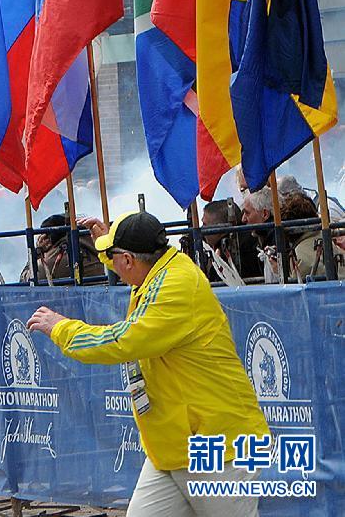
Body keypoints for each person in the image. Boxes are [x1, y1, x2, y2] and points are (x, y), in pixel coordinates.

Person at [27, 212, 269, 517]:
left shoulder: (175, 288)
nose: (110, 262)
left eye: (113, 256)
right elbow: (127, 263)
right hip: (172, 447)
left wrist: (61, 328)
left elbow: (123, 341)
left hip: (220, 450)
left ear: (128, 260)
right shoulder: (159, 266)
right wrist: (107, 244)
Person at [201, 201, 262, 281]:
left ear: (222, 229)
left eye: (205, 224)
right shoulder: (247, 237)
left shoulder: (237, 248)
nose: (202, 229)